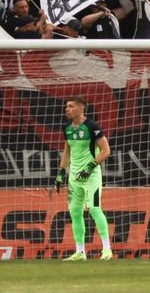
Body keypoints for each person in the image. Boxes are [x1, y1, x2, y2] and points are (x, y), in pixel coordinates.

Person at [56, 96, 112, 260]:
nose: (67, 109)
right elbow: (67, 151)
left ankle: (107, 249)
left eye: (71, 106)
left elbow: (106, 151)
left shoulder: (92, 127)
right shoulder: (67, 128)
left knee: (94, 208)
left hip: (91, 177)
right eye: (66, 106)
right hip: (74, 177)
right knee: (74, 212)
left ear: (81, 108)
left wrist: (89, 168)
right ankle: (80, 252)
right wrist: (60, 172)